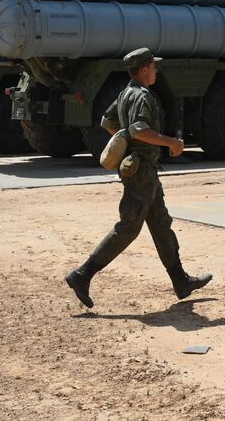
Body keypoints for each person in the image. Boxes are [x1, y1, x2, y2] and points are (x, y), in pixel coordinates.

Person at [65, 47, 212, 308]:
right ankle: (82, 275)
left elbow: (107, 121)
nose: (156, 70)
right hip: (141, 171)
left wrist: (125, 141)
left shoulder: (124, 94)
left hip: (143, 169)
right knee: (129, 227)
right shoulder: (142, 96)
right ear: (143, 69)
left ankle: (180, 281)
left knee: (160, 223)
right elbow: (139, 129)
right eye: (153, 67)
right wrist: (171, 143)